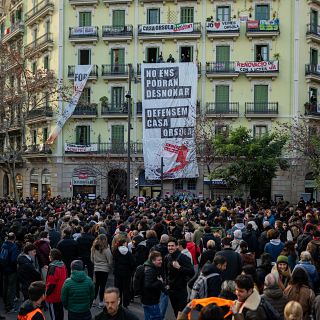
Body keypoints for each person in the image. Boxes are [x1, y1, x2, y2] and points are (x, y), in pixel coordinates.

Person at [164, 237, 195, 317]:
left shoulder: (183, 257)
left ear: (177, 246)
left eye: (172, 246)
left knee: (182, 312)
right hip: (171, 290)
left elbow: (192, 272)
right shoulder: (167, 257)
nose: (170, 248)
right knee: (176, 311)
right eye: (169, 246)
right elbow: (166, 272)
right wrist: (166, 283)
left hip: (181, 290)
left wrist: (180, 268)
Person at [141, 251, 166, 320]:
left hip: (147, 300)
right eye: (159, 260)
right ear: (153, 261)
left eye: (161, 259)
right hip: (151, 302)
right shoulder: (150, 270)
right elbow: (148, 285)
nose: (161, 261)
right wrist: (159, 282)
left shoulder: (148, 267)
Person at [91, 234, 113, 308]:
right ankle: (101, 302)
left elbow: (92, 259)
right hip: (104, 269)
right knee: (102, 285)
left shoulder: (93, 248)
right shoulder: (106, 249)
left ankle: (93, 300)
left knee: (96, 284)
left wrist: (95, 263)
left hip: (96, 268)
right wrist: (109, 266)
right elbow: (110, 260)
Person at [45, 248, 67, 320]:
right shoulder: (62, 264)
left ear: (52, 256)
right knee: (60, 312)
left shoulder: (53, 268)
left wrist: (46, 294)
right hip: (61, 293)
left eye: (49, 255)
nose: (49, 256)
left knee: (54, 315)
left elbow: (51, 284)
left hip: (53, 296)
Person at [113, 238, 136, 308]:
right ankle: (125, 304)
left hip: (118, 273)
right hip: (127, 273)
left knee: (118, 289)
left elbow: (114, 261)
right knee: (126, 289)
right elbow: (133, 263)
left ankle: (118, 303)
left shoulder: (116, 251)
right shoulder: (128, 253)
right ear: (123, 243)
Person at [1, 232, 19, 313]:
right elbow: (13, 260)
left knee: (5, 286)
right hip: (11, 270)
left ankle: (5, 302)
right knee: (11, 288)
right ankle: (10, 306)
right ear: (14, 238)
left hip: (4, 269)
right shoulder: (14, 246)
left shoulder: (3, 245)